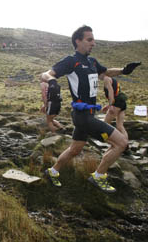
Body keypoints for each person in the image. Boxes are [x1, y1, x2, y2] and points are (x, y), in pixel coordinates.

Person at [41, 25, 141, 193]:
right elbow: (46, 74)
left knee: (75, 149)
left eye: (93, 39)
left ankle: (53, 171)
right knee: (121, 143)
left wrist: (124, 70)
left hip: (88, 114)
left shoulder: (92, 62)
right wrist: (51, 80)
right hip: (83, 116)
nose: (93, 43)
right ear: (78, 41)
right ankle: (99, 176)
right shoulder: (71, 61)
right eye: (89, 40)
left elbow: (106, 72)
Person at [101, 75, 129, 146]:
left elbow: (111, 92)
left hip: (116, 104)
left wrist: (110, 106)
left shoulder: (106, 79)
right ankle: (126, 145)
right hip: (122, 103)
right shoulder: (113, 80)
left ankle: (105, 140)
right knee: (120, 126)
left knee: (105, 124)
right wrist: (108, 105)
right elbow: (115, 93)